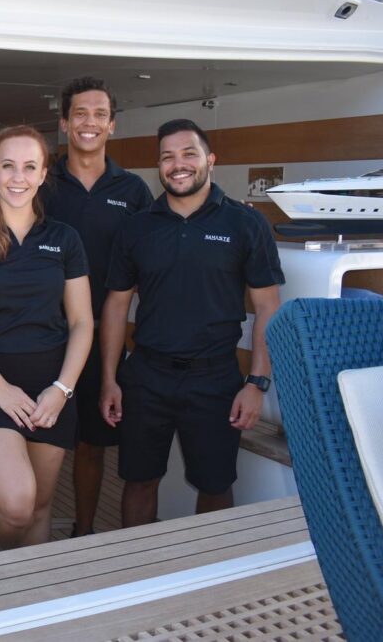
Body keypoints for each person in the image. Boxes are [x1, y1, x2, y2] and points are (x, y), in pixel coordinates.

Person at [100, 118, 283, 527]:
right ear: (158, 167)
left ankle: (209, 577)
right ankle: (140, 577)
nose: (177, 164)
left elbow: (269, 306)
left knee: (215, 484)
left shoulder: (245, 224)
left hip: (215, 378)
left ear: (210, 161)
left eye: (189, 154)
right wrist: (110, 378)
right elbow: (115, 305)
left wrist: (256, 383)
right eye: (167, 157)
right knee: (138, 481)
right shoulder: (137, 227)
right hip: (145, 376)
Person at [0, 125, 93, 549]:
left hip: (51, 388)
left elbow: (82, 322)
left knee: (41, 506)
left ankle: (31, 598)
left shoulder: (65, 239)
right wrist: (0, 389)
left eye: (29, 167)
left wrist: (62, 390)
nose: (18, 177)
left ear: (44, 174)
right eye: (8, 166)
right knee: (17, 503)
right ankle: (2, 570)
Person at [43, 77, 153, 538]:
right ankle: (28, 536)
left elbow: (152, 267)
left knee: (91, 445)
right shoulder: (40, 180)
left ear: (112, 124)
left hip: (102, 342)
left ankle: (83, 531)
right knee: (37, 442)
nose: (90, 123)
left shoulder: (132, 192)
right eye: (80, 114)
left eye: (99, 115)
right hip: (40, 334)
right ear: (65, 122)